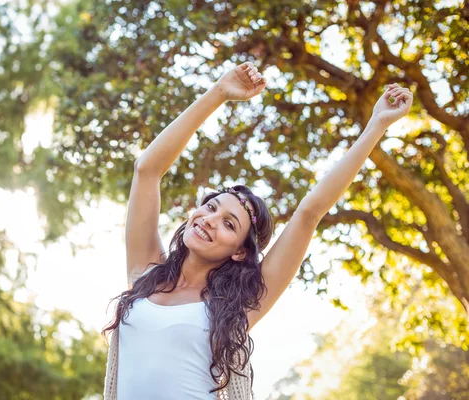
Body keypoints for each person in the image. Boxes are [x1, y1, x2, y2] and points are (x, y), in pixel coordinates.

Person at [101, 61, 413, 400]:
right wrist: (219, 92)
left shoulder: (238, 306)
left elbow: (310, 212)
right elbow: (146, 170)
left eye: (229, 224)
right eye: (211, 207)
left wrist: (376, 126)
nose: (209, 219)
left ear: (239, 251)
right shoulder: (146, 274)